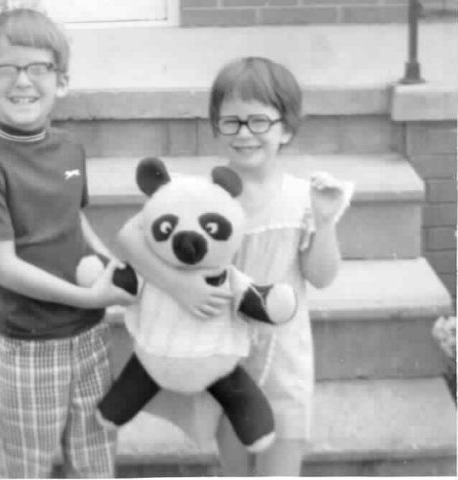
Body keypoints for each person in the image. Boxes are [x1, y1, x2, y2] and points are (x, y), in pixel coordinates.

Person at [116, 56, 353, 476]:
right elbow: (130, 238)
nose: (245, 134)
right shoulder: (200, 198)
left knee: (280, 467)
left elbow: (322, 276)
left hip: (284, 361)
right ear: (216, 127)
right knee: (235, 467)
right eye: (231, 122)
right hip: (222, 359)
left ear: (287, 129)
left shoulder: (303, 197)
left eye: (259, 121)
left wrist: (325, 220)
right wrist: (178, 285)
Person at [0, 8, 134, 478]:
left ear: (61, 81)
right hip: (30, 348)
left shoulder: (69, 147)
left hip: (92, 337)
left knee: (97, 455)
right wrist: (88, 296)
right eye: (8, 69)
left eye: (39, 68)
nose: (23, 81)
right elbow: (3, 267)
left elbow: (75, 218)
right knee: (25, 466)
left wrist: (110, 262)